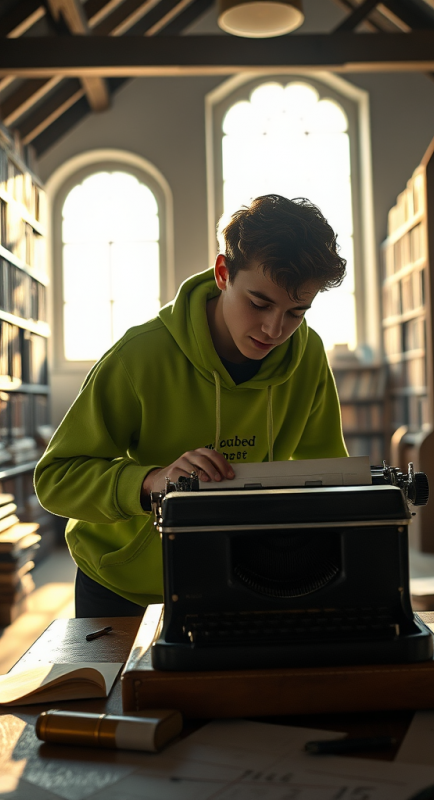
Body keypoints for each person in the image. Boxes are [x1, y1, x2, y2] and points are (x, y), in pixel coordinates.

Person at [35, 194, 350, 618]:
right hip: (127, 585)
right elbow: (56, 479)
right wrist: (151, 481)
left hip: (248, 577)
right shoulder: (138, 355)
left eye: (297, 311)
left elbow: (329, 472)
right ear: (223, 273)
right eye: (259, 303)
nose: (275, 329)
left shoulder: (307, 352)